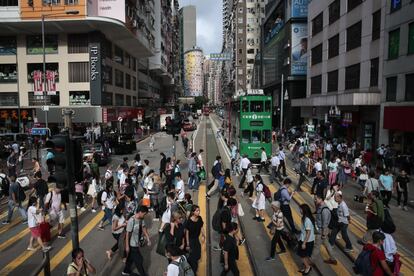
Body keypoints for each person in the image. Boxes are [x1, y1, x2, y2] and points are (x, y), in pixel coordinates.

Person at [122, 206, 151, 276]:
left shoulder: (141, 219)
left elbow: (143, 228)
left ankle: (126, 271)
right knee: (139, 260)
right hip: (132, 244)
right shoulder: (132, 220)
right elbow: (127, 234)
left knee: (131, 258)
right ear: (140, 212)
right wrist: (127, 246)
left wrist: (148, 238)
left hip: (136, 243)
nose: (145, 215)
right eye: (144, 213)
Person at [314, 195, 337, 265]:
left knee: (316, 247)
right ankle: (333, 259)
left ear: (321, 199)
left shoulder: (324, 210)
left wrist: (323, 234)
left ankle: (310, 261)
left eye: (316, 199)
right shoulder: (320, 207)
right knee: (327, 245)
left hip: (321, 231)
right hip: (321, 230)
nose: (315, 200)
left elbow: (325, 223)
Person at [185, 204, 205, 273]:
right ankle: (193, 270)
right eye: (197, 211)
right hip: (191, 240)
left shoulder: (199, 218)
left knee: (198, 254)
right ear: (193, 212)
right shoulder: (189, 221)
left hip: (196, 239)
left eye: (199, 210)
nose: (198, 212)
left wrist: (203, 235)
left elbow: (201, 227)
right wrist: (187, 244)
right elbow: (187, 233)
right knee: (193, 256)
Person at [297, 204, 315, 275]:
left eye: (300, 209)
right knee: (305, 255)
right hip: (306, 239)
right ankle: (307, 267)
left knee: (302, 255)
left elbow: (308, 233)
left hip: (307, 241)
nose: (299, 210)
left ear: (304, 210)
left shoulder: (307, 220)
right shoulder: (305, 218)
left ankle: (307, 267)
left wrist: (304, 243)